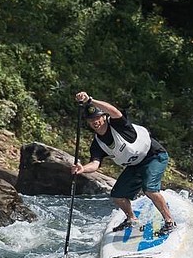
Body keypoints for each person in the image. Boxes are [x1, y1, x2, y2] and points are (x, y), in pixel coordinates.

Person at [71, 91, 176, 236]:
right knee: (118, 195)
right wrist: (82, 169)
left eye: (98, 118)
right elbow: (95, 163)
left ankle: (170, 221)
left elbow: (113, 110)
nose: (95, 122)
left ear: (104, 117)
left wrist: (90, 100)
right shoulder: (97, 144)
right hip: (135, 164)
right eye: (91, 120)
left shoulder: (118, 124)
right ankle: (132, 219)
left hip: (154, 156)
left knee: (150, 189)